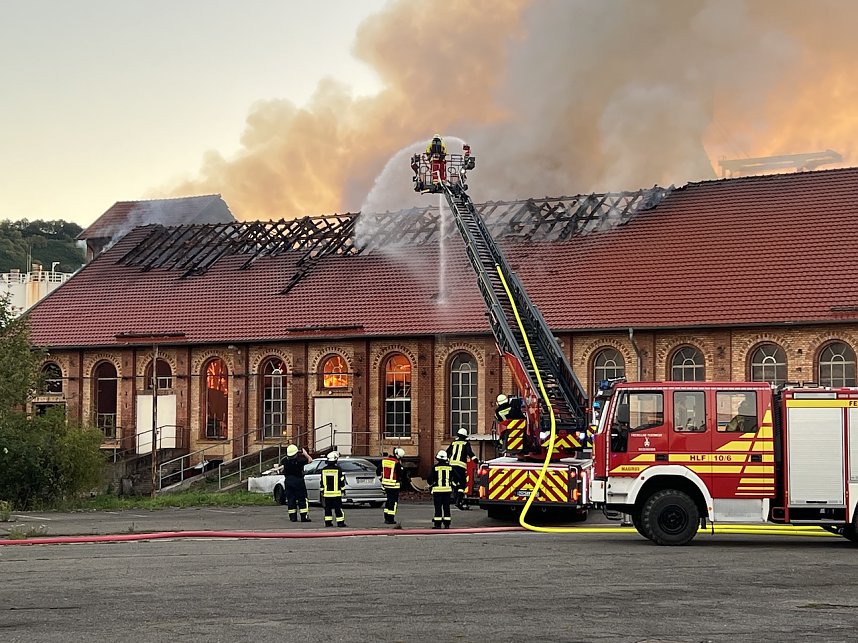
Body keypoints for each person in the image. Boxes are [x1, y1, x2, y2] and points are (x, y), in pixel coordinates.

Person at [447, 428, 478, 510]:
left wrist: (447, 462)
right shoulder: (466, 443)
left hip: (451, 466)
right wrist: (476, 460)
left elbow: (447, 453)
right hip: (460, 466)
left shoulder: (453, 443)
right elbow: (470, 453)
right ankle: (458, 501)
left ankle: (454, 495)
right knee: (462, 484)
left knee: (454, 482)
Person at [280, 444, 312, 523]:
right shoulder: (300, 460)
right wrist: (305, 454)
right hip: (298, 481)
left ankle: (293, 517)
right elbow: (310, 460)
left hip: (288, 481)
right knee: (302, 499)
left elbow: (281, 468)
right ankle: (303, 517)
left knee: (291, 499)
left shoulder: (284, 461)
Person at [428, 450, 454, 529]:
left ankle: (437, 524)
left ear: (438, 458)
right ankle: (447, 524)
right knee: (446, 507)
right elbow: (456, 478)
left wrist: (431, 484)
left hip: (437, 491)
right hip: (447, 491)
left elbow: (429, 479)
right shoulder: (450, 468)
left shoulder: (435, 468)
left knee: (438, 507)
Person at [320, 451, 347, 527]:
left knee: (327, 508)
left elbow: (322, 481)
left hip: (327, 494)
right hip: (336, 494)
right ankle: (340, 523)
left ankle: (328, 522)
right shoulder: (338, 469)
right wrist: (343, 489)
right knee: (338, 509)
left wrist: (322, 490)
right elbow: (341, 481)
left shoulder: (324, 470)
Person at [381, 447, 405, 524]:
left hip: (386, 485)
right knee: (393, 502)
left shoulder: (385, 460)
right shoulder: (397, 463)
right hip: (394, 486)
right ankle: (390, 519)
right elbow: (401, 474)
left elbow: (378, 471)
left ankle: (386, 517)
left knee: (388, 501)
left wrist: (381, 480)